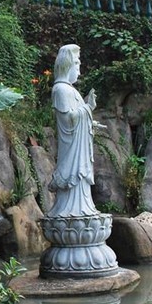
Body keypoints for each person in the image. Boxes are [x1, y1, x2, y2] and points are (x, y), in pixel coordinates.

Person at [47, 44, 100, 217]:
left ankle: (83, 208)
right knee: (73, 182)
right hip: (71, 153)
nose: (79, 69)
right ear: (67, 65)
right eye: (76, 64)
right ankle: (68, 210)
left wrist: (90, 122)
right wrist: (88, 108)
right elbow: (68, 120)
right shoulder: (61, 89)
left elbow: (78, 117)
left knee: (82, 186)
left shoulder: (70, 90)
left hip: (79, 153)